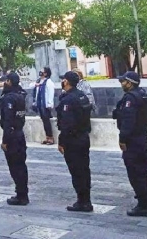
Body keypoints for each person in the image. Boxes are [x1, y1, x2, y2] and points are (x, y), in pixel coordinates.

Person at [113, 71, 147, 217]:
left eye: (123, 81)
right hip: (142, 138)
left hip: (133, 141)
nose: (121, 84)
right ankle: (145, 202)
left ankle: (144, 205)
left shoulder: (131, 98)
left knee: (136, 173)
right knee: (142, 172)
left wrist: (122, 139)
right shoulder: (142, 94)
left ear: (129, 83)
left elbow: (128, 121)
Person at [57, 71, 93, 212]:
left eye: (63, 80)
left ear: (66, 82)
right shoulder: (82, 96)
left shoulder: (68, 100)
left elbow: (67, 124)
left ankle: (82, 201)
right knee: (84, 170)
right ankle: (86, 200)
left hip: (73, 140)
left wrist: (61, 142)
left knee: (77, 171)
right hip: (84, 137)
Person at [0, 72, 29, 206]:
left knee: (15, 166)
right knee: (21, 165)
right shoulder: (21, 95)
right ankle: (23, 193)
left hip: (12, 136)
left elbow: (8, 121)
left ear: (10, 82)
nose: (4, 83)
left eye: (6, 80)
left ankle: (21, 195)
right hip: (19, 134)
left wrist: (5, 141)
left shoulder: (9, 98)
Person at [34, 67, 55, 145]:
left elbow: (50, 93)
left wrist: (50, 104)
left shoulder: (48, 82)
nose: (40, 72)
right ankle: (47, 137)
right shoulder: (39, 81)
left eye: (42, 71)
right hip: (40, 104)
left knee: (46, 121)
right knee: (44, 120)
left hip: (45, 104)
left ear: (46, 73)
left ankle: (50, 137)